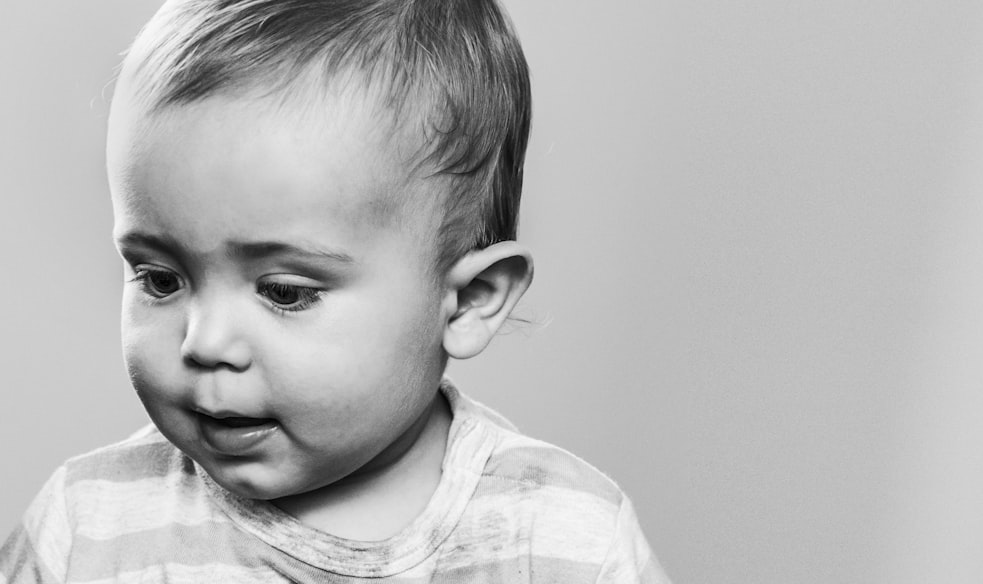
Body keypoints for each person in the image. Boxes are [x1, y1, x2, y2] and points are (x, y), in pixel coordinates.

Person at [0, 0, 668, 581]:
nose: (203, 343)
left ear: (467, 300)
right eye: (161, 278)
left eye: (284, 292)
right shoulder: (87, 528)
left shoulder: (561, 540)